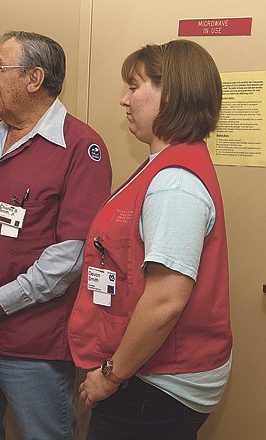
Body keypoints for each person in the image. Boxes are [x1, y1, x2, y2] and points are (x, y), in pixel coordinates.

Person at [0, 31, 112, 439]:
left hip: (31, 337)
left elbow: (70, 253)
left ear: (35, 79)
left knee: (44, 433)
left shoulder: (81, 148)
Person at [70, 39, 232, 440]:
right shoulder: (162, 165)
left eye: (135, 86)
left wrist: (110, 376)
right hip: (154, 376)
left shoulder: (174, 182)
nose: (124, 100)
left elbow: (165, 301)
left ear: (172, 94)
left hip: (160, 386)